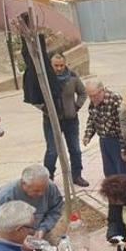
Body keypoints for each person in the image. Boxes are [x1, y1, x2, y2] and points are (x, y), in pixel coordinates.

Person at [42, 53, 89, 187]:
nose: (59, 68)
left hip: (71, 120)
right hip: (51, 121)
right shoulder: (46, 78)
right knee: (52, 150)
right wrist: (45, 108)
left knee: (75, 149)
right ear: (51, 65)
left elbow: (83, 92)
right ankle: (47, 177)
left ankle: (77, 175)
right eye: (56, 65)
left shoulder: (72, 76)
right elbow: (35, 98)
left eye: (61, 65)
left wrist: (76, 106)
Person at [0, 165, 63, 240]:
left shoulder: (50, 186)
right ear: (23, 183)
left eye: (44, 189)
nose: (41, 194)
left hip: (39, 236)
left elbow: (56, 209)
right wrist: (15, 240)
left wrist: (44, 228)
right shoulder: (6, 195)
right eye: (36, 191)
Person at [82, 79, 126, 176]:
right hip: (104, 140)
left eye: (95, 95)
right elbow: (92, 118)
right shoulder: (94, 101)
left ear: (102, 90)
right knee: (109, 172)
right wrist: (88, 135)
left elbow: (121, 127)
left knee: (122, 172)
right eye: (90, 96)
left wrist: (124, 149)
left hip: (117, 140)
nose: (93, 98)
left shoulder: (115, 100)